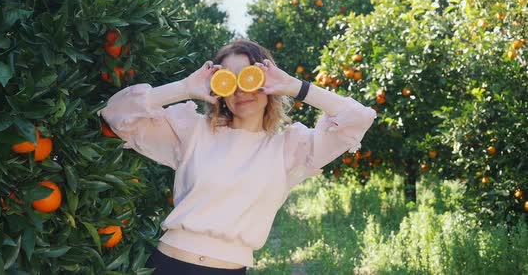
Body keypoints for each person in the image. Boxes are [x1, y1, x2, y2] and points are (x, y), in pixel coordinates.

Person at [97, 39, 377, 274]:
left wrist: (296, 87)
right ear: (219, 89)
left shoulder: (290, 149)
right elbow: (115, 114)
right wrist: (184, 87)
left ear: (268, 83)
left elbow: (358, 118)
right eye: (229, 81)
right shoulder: (191, 130)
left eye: (250, 78)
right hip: (168, 264)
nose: (242, 91)